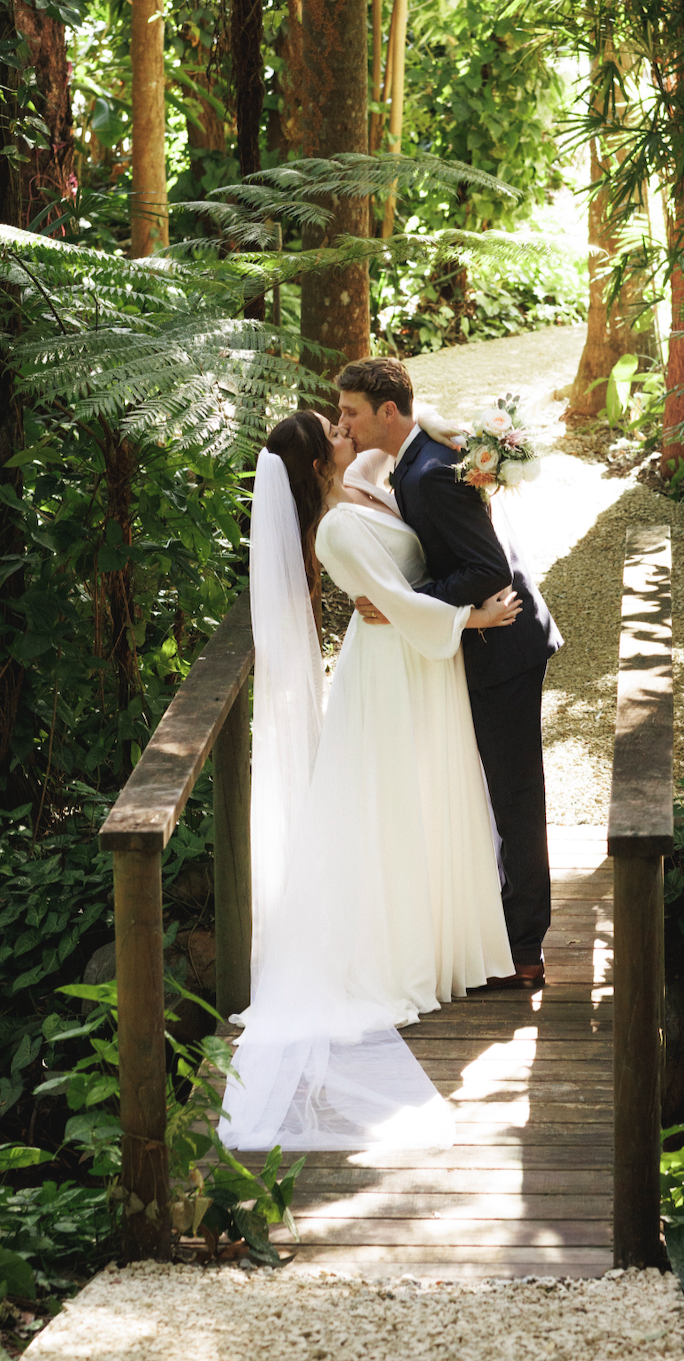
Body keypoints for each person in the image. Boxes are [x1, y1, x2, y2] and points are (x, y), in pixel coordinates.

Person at [219, 410, 519, 1151]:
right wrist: (473, 622)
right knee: (392, 805)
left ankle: (446, 942)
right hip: (389, 670)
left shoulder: (360, 484)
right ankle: (396, 953)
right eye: (335, 426)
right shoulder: (333, 528)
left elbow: (402, 454)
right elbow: (394, 597)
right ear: (322, 458)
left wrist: (448, 426)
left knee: (425, 796)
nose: (345, 426)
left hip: (415, 661)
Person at [335, 358, 563, 988]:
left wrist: (413, 602)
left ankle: (524, 949)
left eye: (352, 411)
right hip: (486, 647)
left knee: (515, 796)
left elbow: (488, 569)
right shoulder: (414, 457)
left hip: (504, 648)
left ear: (386, 412)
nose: (344, 423)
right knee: (492, 793)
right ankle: (495, 932)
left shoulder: (429, 472)